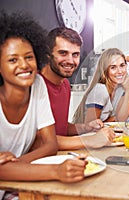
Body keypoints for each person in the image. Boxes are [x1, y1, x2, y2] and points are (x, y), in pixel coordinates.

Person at [0, 12, 88, 199]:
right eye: (12, 59)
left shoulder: (37, 84)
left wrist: (16, 164)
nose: (24, 65)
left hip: (17, 185)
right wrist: (56, 171)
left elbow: (51, 144)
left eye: (29, 57)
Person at [40, 27, 115, 150]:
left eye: (75, 55)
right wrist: (89, 140)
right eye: (63, 53)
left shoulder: (64, 85)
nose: (70, 61)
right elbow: (40, 141)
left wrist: (86, 127)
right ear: (48, 54)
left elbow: (61, 129)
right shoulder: (35, 85)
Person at [73, 48, 129, 124]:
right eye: (113, 67)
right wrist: (113, 119)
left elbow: (122, 119)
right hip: (88, 134)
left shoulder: (121, 89)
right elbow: (90, 126)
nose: (120, 71)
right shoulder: (100, 90)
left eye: (122, 65)